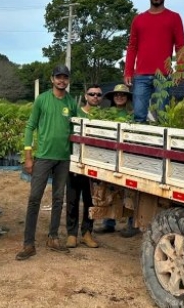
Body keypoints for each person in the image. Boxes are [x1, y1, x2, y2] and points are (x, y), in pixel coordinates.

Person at [16, 64, 79, 260]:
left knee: (58, 199)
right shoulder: (42, 100)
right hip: (43, 157)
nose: (62, 80)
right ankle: (28, 244)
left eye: (65, 77)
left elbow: (78, 128)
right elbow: (30, 127)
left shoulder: (71, 102)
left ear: (68, 80)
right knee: (35, 198)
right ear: (52, 79)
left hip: (63, 159)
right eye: (58, 77)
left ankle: (53, 237)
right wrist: (28, 155)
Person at [124, 0, 184, 123]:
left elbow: (180, 46)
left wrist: (181, 70)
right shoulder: (138, 19)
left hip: (163, 76)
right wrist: (128, 71)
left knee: (162, 118)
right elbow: (132, 47)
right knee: (139, 117)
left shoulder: (174, 18)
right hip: (141, 76)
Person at [96, 84, 138, 237]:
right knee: (110, 190)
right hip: (110, 156)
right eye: (116, 95)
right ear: (113, 98)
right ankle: (109, 223)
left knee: (131, 192)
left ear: (127, 98)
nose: (119, 97)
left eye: (123, 95)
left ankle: (133, 224)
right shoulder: (106, 114)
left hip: (128, 157)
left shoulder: (133, 114)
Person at [65, 84, 102, 250]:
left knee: (90, 200)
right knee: (72, 199)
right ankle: (71, 234)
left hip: (94, 164)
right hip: (76, 162)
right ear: (85, 96)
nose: (95, 97)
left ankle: (87, 232)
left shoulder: (103, 116)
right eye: (92, 94)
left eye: (98, 95)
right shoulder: (76, 113)